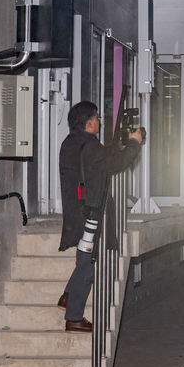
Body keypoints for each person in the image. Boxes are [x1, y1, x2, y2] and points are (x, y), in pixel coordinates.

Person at [57, 101, 143, 333]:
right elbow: (115, 164)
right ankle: (74, 317)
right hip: (91, 214)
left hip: (78, 210)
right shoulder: (89, 147)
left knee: (85, 258)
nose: (99, 121)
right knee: (87, 265)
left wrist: (119, 143)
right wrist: (134, 144)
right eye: (97, 118)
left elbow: (100, 160)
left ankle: (67, 296)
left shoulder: (72, 143)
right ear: (88, 123)